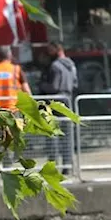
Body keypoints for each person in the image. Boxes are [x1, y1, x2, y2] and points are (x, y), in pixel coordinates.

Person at [37, 42, 77, 170]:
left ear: (56, 50)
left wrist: (41, 85)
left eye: (50, 50)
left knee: (52, 133)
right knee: (67, 134)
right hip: (68, 100)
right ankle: (67, 165)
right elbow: (75, 84)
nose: (48, 54)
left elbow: (54, 86)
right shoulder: (71, 65)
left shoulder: (55, 66)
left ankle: (52, 165)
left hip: (55, 101)